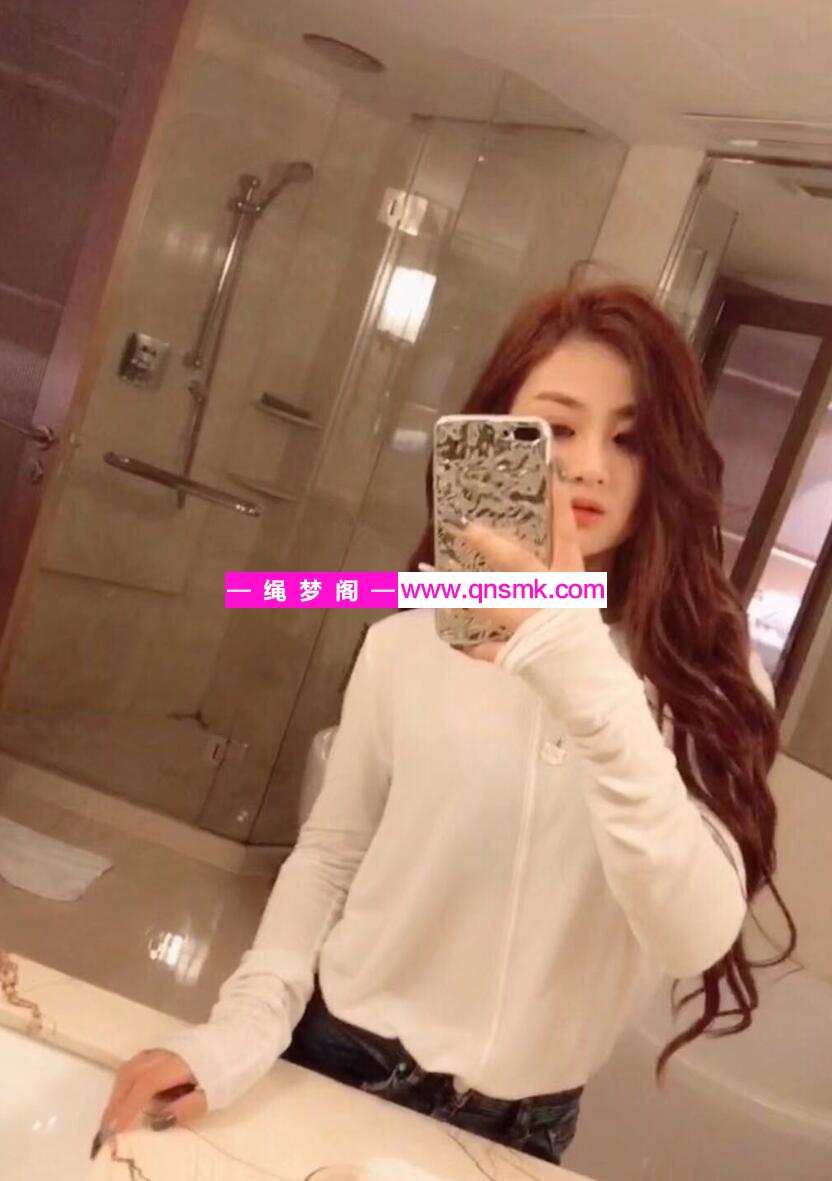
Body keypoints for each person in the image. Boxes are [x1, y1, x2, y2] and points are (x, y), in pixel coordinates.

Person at [96, 276, 795, 1166]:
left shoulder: (712, 680)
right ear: (493, 432)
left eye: (630, 437)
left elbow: (690, 933)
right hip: (344, 1061)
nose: (589, 465)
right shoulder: (407, 641)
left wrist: (577, 661)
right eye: (555, 428)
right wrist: (238, 1034)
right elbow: (331, 855)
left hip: (528, 1123)